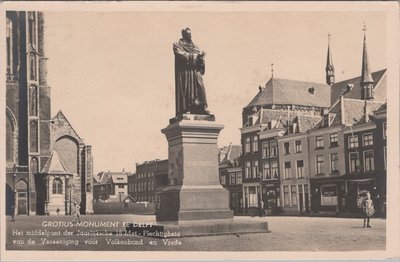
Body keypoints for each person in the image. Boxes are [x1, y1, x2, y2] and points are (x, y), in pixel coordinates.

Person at [173, 28, 210, 116]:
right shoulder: (177, 45)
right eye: (188, 34)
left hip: (196, 71)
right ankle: (187, 108)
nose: (190, 36)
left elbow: (200, 59)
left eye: (191, 34)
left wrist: (201, 57)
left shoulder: (196, 46)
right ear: (184, 35)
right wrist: (196, 56)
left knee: (201, 87)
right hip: (185, 71)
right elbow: (180, 55)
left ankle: (201, 107)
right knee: (187, 89)